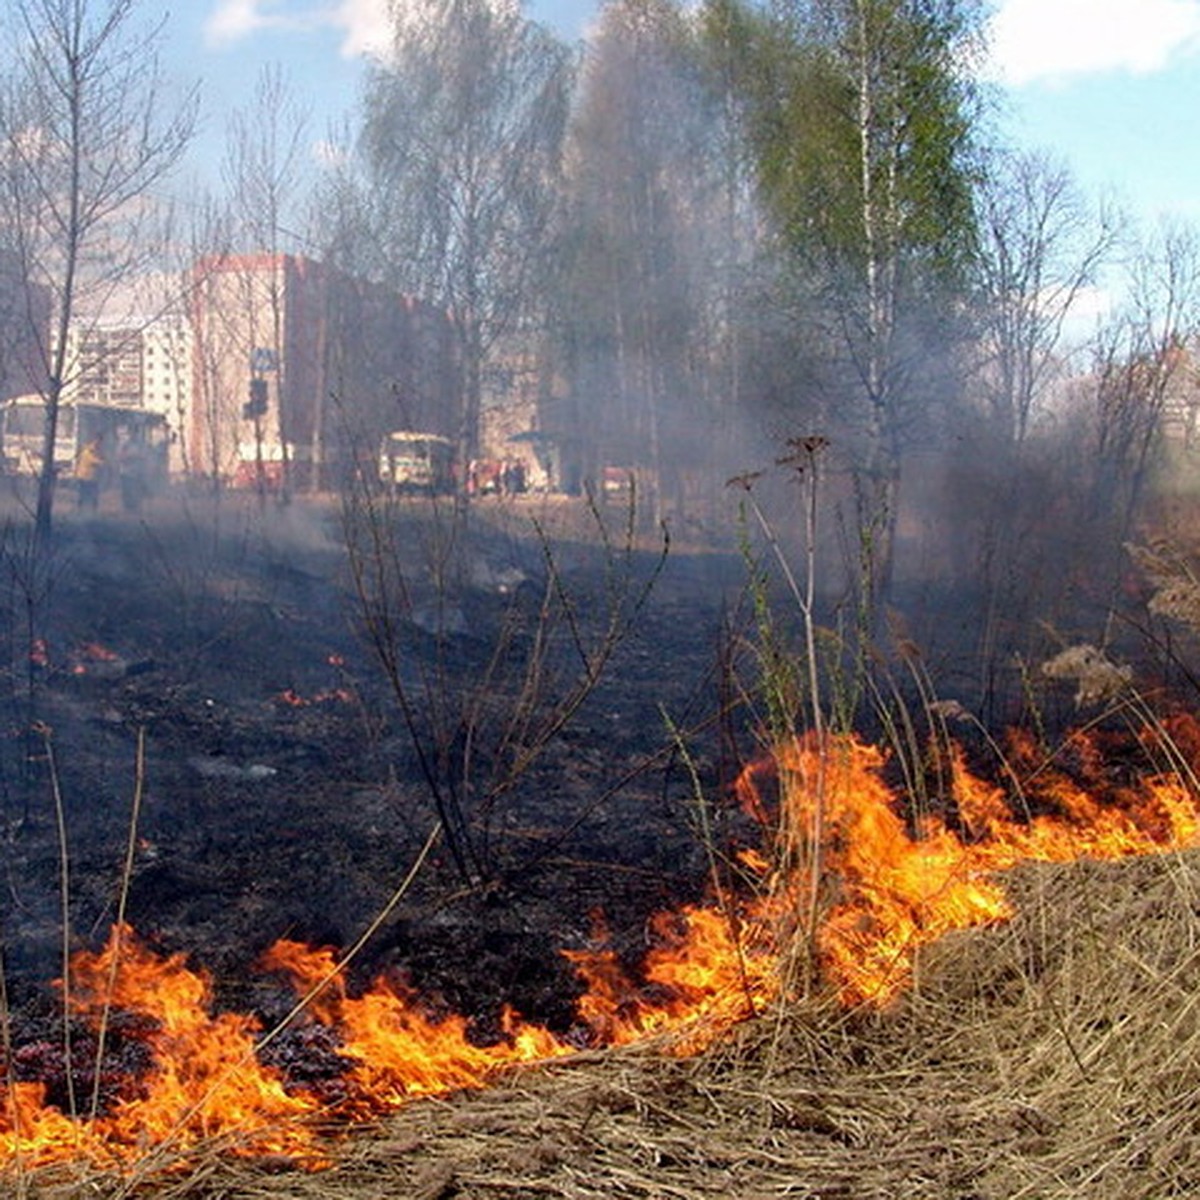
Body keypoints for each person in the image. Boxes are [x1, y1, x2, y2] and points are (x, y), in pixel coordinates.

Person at [75, 438, 104, 511]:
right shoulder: (87, 452)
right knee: (86, 494)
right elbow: (97, 462)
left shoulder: (93, 452)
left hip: (91, 477)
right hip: (86, 477)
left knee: (90, 495)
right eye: (96, 443)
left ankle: (89, 510)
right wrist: (102, 461)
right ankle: (83, 510)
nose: (98, 445)